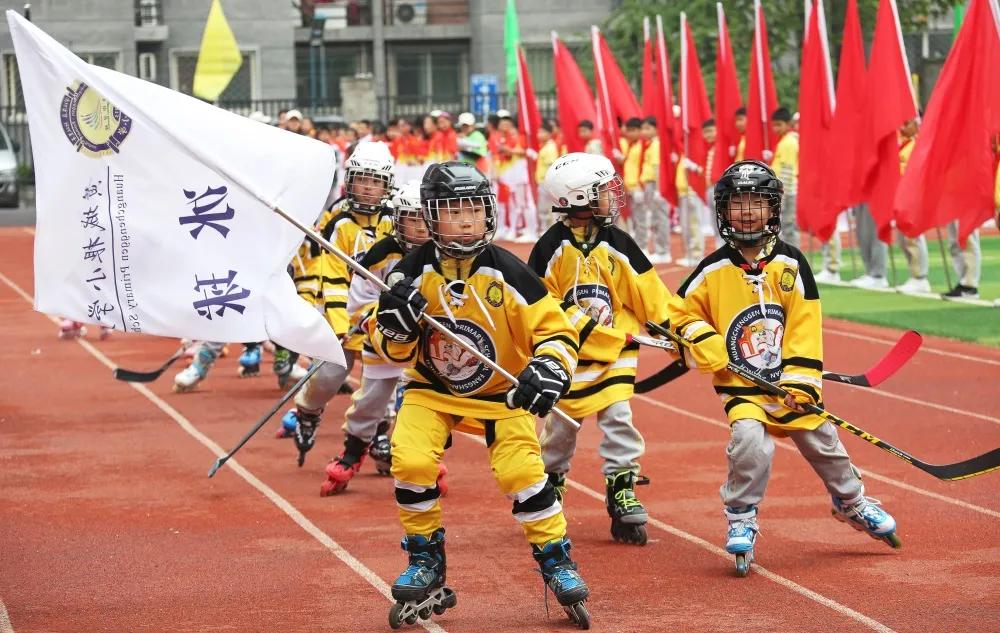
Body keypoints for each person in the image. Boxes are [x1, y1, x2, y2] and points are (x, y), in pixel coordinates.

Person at [369, 161, 590, 628]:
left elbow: (557, 333)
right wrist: (394, 322)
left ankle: (556, 558)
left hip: (499, 395)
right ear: (430, 217)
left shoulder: (510, 272)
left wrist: (549, 367)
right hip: (432, 390)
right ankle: (425, 556)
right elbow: (391, 349)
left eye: (474, 208)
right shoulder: (408, 273)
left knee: (524, 475)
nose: (466, 220)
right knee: (409, 460)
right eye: (453, 211)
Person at [666, 160, 899, 577]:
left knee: (823, 440)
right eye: (739, 203)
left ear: (774, 209)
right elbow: (676, 318)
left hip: (788, 382)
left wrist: (802, 384)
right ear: (723, 211)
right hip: (742, 386)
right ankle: (741, 513)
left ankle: (851, 502)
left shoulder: (792, 265)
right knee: (750, 443)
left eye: (759, 202)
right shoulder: (711, 271)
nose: (749, 211)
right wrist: (701, 339)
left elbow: (805, 328)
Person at [528, 152, 673, 546]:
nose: (612, 196)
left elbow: (650, 294)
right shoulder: (549, 250)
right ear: (577, 200)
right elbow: (541, 306)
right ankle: (551, 485)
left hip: (614, 358)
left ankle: (622, 488)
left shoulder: (619, 243)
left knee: (619, 419)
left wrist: (677, 331)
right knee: (560, 429)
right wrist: (587, 329)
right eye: (602, 191)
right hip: (569, 358)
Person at [318, 180, 447, 494]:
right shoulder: (380, 254)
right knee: (370, 401)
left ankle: (425, 457)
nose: (418, 226)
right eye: (411, 218)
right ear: (398, 219)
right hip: (383, 340)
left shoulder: (444, 255)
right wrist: (375, 318)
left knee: (424, 403)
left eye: (424, 218)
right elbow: (359, 299)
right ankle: (352, 452)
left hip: (424, 346)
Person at [281, 141, 395, 464]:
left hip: (378, 319)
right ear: (350, 179)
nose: (369, 189)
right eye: (362, 180)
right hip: (342, 313)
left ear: (387, 185)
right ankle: (308, 409)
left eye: (376, 181)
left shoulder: (393, 222)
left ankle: (380, 432)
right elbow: (331, 276)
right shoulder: (338, 221)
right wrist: (338, 324)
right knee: (328, 378)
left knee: (384, 380)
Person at [894, 117, 931, 294]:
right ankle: (913, 273)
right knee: (902, 239)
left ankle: (920, 277)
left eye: (907, 123)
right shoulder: (902, 144)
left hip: (913, 195)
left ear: (917, 125)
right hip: (900, 196)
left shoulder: (918, 145)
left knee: (913, 236)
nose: (902, 127)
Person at [634, 117, 672, 263]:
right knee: (655, 218)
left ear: (656, 129)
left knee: (659, 217)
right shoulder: (650, 145)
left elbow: (658, 167)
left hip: (655, 184)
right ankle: (658, 249)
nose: (644, 132)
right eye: (643, 128)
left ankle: (663, 250)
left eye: (647, 128)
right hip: (649, 184)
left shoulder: (656, 144)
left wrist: (658, 189)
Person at [770, 107, 799, 249]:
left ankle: (794, 257)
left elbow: (787, 169)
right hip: (784, 189)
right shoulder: (784, 141)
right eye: (774, 125)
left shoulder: (788, 142)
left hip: (787, 190)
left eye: (779, 124)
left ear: (788, 124)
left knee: (788, 226)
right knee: (785, 226)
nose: (776, 128)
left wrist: (783, 193)